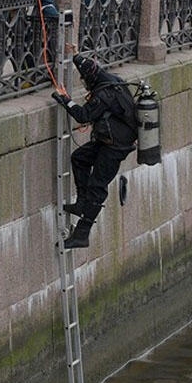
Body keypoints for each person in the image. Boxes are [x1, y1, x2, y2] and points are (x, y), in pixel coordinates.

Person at [52, 51, 137, 249]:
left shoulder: (104, 93)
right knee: (79, 158)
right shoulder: (113, 81)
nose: (83, 82)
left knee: (97, 187)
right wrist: (74, 54)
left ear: (90, 78)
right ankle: (82, 203)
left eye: (83, 79)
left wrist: (65, 99)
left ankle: (82, 234)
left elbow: (82, 115)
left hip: (115, 147)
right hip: (108, 140)